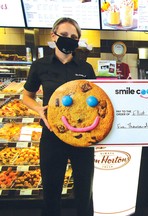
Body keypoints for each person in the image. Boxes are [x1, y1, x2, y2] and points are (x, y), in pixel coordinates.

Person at [22, 17, 96, 216]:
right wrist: (39, 109)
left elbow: (94, 99)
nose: (68, 39)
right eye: (64, 35)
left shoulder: (85, 68)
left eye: (73, 37)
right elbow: (26, 96)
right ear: (53, 35)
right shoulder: (40, 65)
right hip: (52, 135)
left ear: (78, 41)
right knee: (51, 190)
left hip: (82, 137)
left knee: (84, 191)